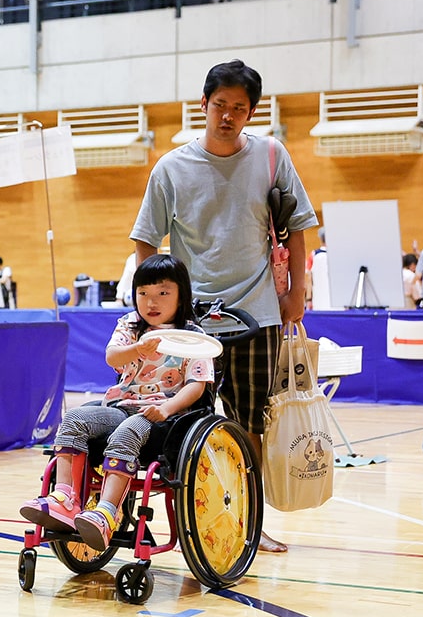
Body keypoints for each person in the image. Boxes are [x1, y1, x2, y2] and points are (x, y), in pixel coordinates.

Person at [130, 59, 317, 553]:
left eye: (239, 108)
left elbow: (298, 227)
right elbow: (146, 244)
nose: (228, 116)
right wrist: (154, 309)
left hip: (259, 312)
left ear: (252, 111)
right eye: (220, 106)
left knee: (252, 423)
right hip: (192, 325)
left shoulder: (273, 156)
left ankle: (250, 523)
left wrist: (296, 291)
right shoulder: (170, 168)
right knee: (189, 422)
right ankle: (208, 519)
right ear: (203, 105)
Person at [19, 255, 213, 551]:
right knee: (73, 419)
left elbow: (197, 386)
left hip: (164, 417)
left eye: (163, 293)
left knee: (128, 431)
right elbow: (112, 356)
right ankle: (64, 499)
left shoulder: (194, 337)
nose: (152, 302)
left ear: (181, 295)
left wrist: (166, 409)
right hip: (122, 407)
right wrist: (136, 348)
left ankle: (107, 513)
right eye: (143, 294)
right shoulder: (131, 325)